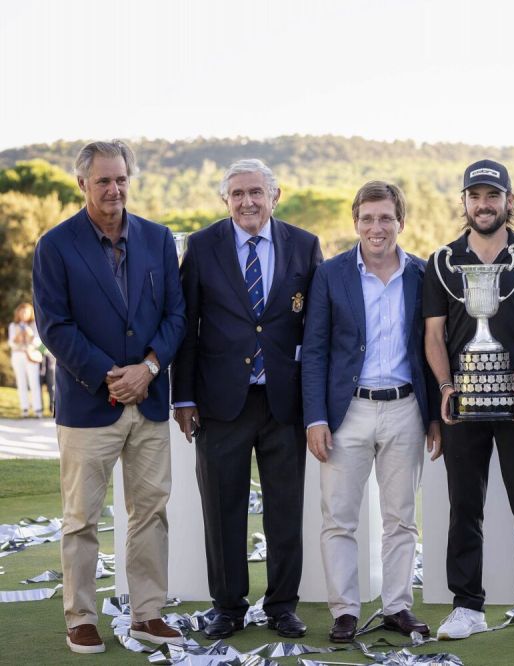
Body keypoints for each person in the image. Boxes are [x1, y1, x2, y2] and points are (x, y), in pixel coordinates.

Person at [32, 140, 186, 653]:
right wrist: (108, 376)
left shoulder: (159, 239)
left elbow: (176, 317)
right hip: (87, 405)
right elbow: (55, 325)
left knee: (150, 513)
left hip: (149, 399)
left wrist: (146, 368)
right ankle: (81, 617)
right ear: (82, 184)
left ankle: (147, 614)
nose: (114, 188)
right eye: (103, 180)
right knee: (81, 519)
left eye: (121, 178)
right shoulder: (55, 245)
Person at [171, 159, 322, 640]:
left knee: (285, 511)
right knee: (222, 510)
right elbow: (187, 328)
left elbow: (315, 331)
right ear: (225, 200)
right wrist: (183, 397)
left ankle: (281, 606)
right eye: (237, 194)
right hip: (220, 404)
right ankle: (228, 607)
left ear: (275, 196)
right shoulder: (201, 246)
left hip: (284, 403)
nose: (247, 202)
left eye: (256, 192)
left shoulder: (304, 245)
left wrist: (316, 404)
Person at [425, 159, 514, 642]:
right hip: (463, 402)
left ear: (509, 201)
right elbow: (434, 336)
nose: (484, 205)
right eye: (475, 196)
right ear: (464, 202)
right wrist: (445, 387)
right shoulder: (442, 261)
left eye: (492, 196)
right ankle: (467, 605)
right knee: (465, 505)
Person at [302, 181, 438, 643]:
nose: (376, 227)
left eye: (386, 218)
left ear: (402, 221)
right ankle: (344, 611)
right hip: (348, 412)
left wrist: (435, 417)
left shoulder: (422, 274)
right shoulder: (332, 274)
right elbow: (315, 349)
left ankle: (398, 605)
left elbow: (430, 349)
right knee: (339, 518)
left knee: (401, 518)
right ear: (355, 222)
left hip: (405, 409)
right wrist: (315, 417)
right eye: (368, 218)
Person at [8, 302, 43, 418]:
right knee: (21, 382)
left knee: (34, 382)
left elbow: (38, 342)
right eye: (22, 311)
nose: (24, 314)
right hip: (18, 355)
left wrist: (30, 334)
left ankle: (38, 409)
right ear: (18, 313)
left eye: (26, 312)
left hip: (31, 355)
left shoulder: (34, 325)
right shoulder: (13, 326)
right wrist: (18, 335)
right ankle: (25, 409)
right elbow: (11, 344)